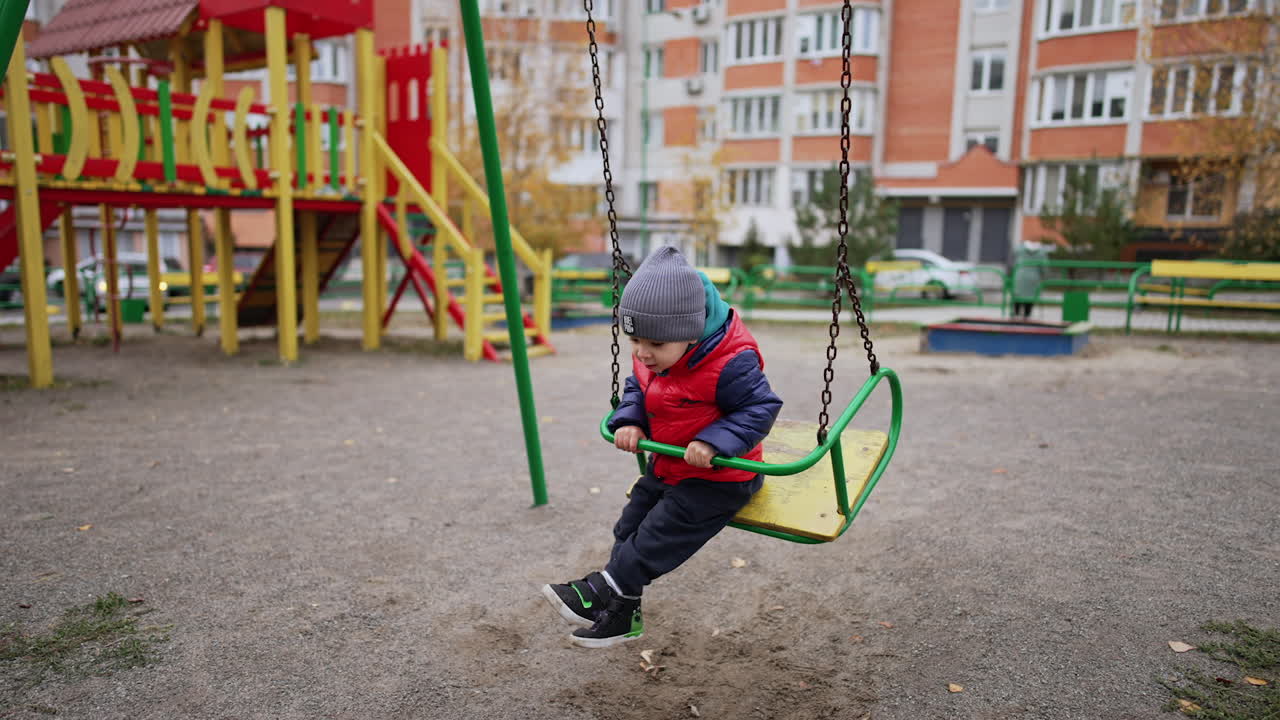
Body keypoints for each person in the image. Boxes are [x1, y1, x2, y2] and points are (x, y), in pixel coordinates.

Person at [541, 246, 783, 648]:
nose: (641, 352)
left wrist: (713, 440)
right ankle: (622, 616)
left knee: (657, 534)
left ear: (690, 334)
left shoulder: (731, 362)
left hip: (722, 477)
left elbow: (761, 408)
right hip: (669, 464)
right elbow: (638, 385)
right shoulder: (653, 353)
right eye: (633, 339)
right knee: (629, 529)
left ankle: (600, 590)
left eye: (652, 343)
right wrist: (631, 419)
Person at [1011, 240, 1052, 319]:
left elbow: (1014, 260)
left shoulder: (1020, 250)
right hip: (1034, 277)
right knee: (1030, 296)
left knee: (1018, 295)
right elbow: (1045, 266)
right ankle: (1027, 315)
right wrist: (1045, 276)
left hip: (1020, 275)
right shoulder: (1041, 252)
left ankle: (1016, 314)